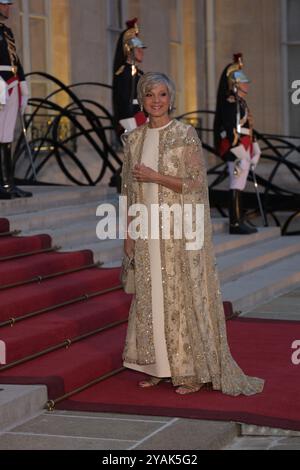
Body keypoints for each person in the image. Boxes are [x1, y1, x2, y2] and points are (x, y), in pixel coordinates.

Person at [121, 72, 264, 396]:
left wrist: (156, 176)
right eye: (149, 95)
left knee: (179, 297)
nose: (156, 101)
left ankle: (188, 371)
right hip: (146, 232)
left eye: (161, 95)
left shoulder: (184, 135)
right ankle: (157, 367)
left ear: (171, 98)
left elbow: (197, 185)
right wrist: (127, 235)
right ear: (143, 100)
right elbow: (128, 191)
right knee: (151, 298)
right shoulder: (133, 140)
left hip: (178, 231)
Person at [214, 54, 261, 234]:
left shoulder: (241, 103)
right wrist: (238, 149)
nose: (246, 84)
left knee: (240, 184)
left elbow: (248, 126)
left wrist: (254, 148)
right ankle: (234, 222)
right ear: (235, 84)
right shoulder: (230, 104)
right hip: (236, 148)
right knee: (236, 183)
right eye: (243, 82)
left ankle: (240, 218)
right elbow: (229, 129)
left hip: (245, 146)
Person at [0, 0, 31, 199]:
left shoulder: (7, 31)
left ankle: (8, 182)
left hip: (11, 83)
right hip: (0, 84)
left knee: (7, 135)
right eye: (3, 5)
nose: (7, 8)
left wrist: (22, 82)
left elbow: (15, 60)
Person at [112, 18, 147, 134]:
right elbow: (126, 105)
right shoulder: (123, 73)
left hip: (141, 120)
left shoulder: (139, 73)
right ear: (128, 49)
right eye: (138, 48)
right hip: (130, 124)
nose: (142, 51)